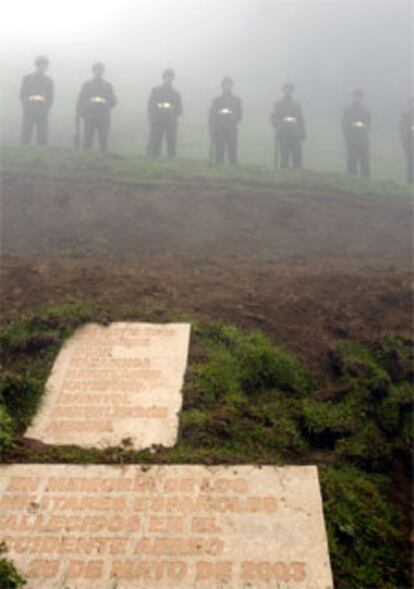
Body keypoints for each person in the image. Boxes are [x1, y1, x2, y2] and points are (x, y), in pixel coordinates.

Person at [76, 62, 117, 152]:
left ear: (103, 72)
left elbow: (113, 101)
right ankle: (86, 158)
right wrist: (80, 112)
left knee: (103, 139)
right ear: (93, 71)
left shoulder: (108, 86)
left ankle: (103, 160)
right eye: (96, 70)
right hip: (89, 115)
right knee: (88, 139)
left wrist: (106, 103)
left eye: (100, 70)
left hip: (104, 115)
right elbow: (81, 99)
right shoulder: (87, 85)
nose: (98, 72)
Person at [147, 69, 182, 159]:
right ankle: (154, 157)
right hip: (157, 120)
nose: (169, 78)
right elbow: (151, 106)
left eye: (171, 76)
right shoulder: (156, 90)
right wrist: (152, 117)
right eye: (167, 76)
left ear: (173, 78)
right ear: (163, 77)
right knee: (156, 140)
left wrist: (173, 115)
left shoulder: (176, 94)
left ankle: (171, 158)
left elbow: (179, 109)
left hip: (171, 120)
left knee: (171, 141)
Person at [20, 56, 54, 146]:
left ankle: (41, 154)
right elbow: (22, 94)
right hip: (29, 109)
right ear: (37, 65)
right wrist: (25, 105)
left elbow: (50, 97)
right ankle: (24, 152)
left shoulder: (49, 81)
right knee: (26, 132)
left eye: (45, 65)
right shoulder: (27, 78)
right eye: (41, 65)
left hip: (42, 109)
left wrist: (47, 108)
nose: (44, 67)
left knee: (43, 133)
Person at [271, 82, 306, 169]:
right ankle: (284, 172)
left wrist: (303, 133)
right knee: (284, 155)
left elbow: (300, 120)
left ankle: (297, 173)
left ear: (292, 91)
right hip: (283, 133)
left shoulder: (297, 105)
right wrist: (277, 123)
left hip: (295, 133)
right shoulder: (278, 104)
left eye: (290, 89)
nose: (288, 91)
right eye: (286, 89)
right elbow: (273, 117)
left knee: (297, 155)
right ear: (283, 90)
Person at [208, 76, 242, 165]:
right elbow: (212, 115)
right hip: (219, 128)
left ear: (232, 86)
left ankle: (233, 166)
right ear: (222, 86)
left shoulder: (237, 100)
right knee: (219, 148)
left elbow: (239, 116)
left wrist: (230, 114)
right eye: (225, 85)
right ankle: (219, 164)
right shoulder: (216, 100)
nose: (227, 87)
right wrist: (212, 127)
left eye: (229, 85)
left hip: (231, 128)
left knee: (232, 148)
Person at [342, 89, 371, 178]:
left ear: (362, 98)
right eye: (355, 96)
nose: (357, 99)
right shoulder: (348, 110)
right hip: (352, 139)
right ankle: (351, 178)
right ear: (352, 97)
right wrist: (347, 137)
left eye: (359, 97)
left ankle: (365, 179)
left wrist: (363, 127)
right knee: (351, 161)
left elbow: (369, 125)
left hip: (363, 140)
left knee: (365, 161)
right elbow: (344, 125)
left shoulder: (366, 111)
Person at [400, 96, 414, 184]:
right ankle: (410, 180)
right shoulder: (406, 115)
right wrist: (404, 141)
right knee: (410, 162)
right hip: (410, 142)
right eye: (411, 103)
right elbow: (402, 128)